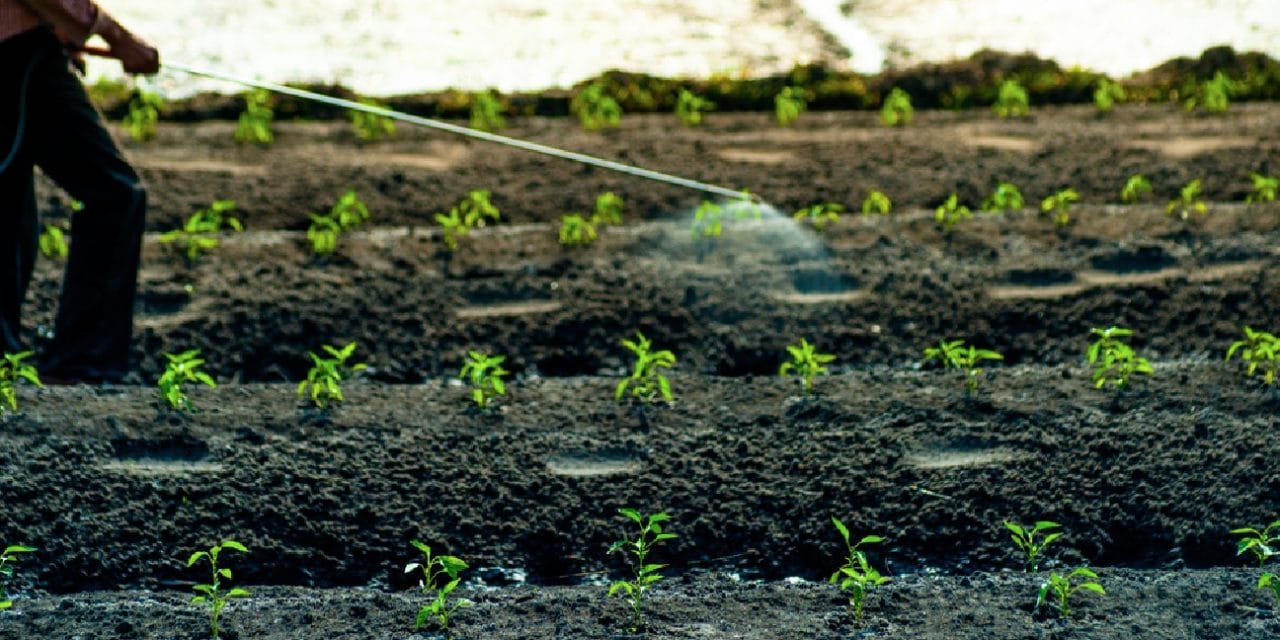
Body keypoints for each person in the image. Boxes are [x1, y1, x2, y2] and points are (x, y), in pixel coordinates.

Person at [0, 0, 159, 383]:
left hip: (24, 44)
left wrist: (57, 28)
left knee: (12, 205)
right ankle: (83, 361)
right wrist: (114, 36)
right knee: (115, 192)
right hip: (15, 54)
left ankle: (13, 360)